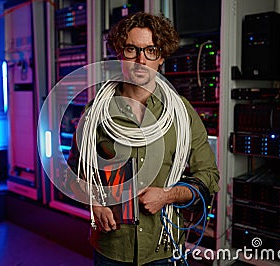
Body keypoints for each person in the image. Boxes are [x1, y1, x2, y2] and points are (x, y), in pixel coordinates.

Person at [66, 11, 219, 265]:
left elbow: (209, 177)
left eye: (151, 50)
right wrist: (93, 202)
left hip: (164, 247)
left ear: (161, 57)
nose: (141, 60)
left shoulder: (181, 113)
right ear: (119, 54)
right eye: (131, 50)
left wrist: (167, 196)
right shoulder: (95, 112)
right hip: (111, 247)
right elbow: (74, 170)